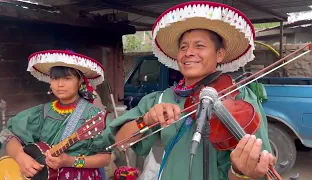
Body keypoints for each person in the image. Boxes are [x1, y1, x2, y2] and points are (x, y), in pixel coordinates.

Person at [109, 1, 277, 180]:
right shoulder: (161, 99)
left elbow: (257, 171)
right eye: (183, 47)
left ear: (219, 54)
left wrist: (240, 172)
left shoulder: (239, 99)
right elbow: (120, 142)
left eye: (199, 46)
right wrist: (146, 120)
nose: (188, 52)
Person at [4, 50, 112, 180]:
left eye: (67, 78)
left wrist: (70, 161)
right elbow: (11, 138)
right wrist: (20, 157)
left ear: (80, 81)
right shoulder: (42, 112)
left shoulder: (93, 114)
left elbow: (105, 158)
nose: (60, 84)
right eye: (55, 78)